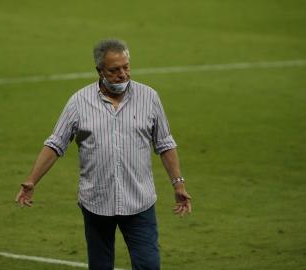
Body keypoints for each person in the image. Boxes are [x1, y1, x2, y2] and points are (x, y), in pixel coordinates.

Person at [15, 39, 191, 270]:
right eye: (114, 70)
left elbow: (165, 144)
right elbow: (55, 144)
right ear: (99, 71)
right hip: (97, 202)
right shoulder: (79, 102)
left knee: (149, 265)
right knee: (100, 266)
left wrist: (178, 184)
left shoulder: (149, 97)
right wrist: (31, 180)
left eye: (126, 67)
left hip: (139, 201)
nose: (123, 74)